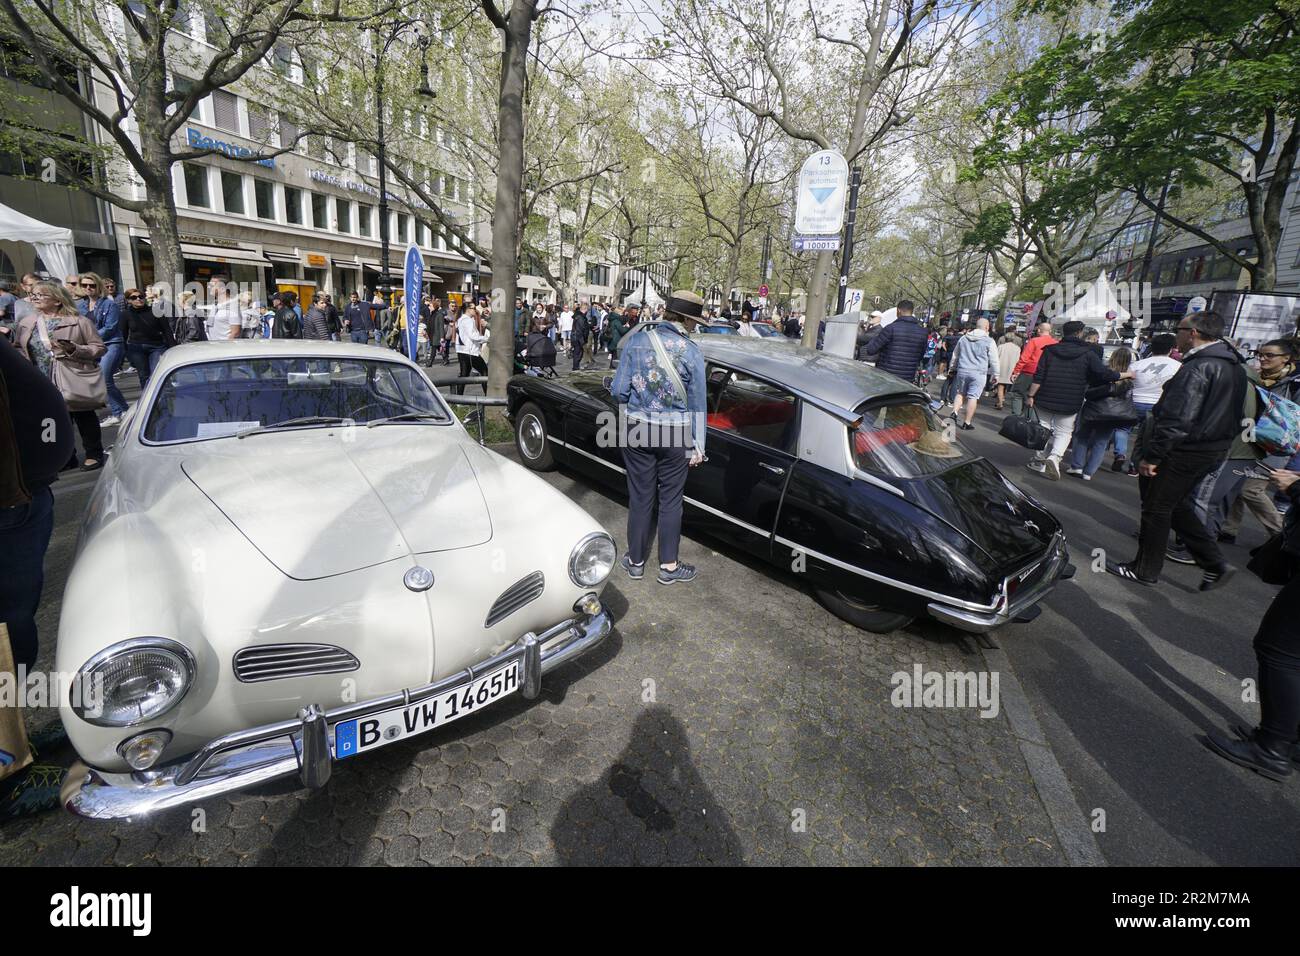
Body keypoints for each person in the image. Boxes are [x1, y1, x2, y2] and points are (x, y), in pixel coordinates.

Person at [1105, 311, 1247, 589]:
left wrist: (1153, 455)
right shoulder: (1232, 366)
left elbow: (1179, 418)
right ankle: (1214, 562)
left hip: (1184, 450)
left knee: (1157, 508)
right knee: (1174, 505)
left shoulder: (1200, 366)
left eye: (1180, 329)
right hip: (1209, 449)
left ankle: (1145, 569)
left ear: (1192, 332)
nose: (1176, 336)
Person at [0, 331, 75, 819]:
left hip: (18, 501)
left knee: (14, 629)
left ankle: (13, 735)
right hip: (8, 505)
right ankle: (6, 775)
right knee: (6, 631)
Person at [611, 290, 708, 586]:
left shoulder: (637, 341)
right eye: (694, 321)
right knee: (670, 502)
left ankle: (636, 562)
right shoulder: (690, 350)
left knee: (640, 497)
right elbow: (698, 403)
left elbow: (618, 391)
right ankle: (668, 566)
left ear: (667, 312)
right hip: (675, 434)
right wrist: (698, 445)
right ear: (688, 321)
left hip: (638, 429)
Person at [14, 281, 107, 471]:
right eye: (33, 295)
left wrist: (75, 349)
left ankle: (94, 453)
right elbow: (18, 348)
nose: (35, 298)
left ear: (57, 300)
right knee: (49, 421)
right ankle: (64, 457)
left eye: (41, 295)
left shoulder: (78, 321)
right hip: (40, 380)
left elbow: (99, 348)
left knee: (82, 415)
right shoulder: (26, 322)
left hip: (72, 375)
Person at [1026, 320, 1129, 480]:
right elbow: (1103, 374)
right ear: (1080, 333)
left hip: (1045, 395)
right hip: (1071, 399)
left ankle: (1040, 460)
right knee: (1064, 431)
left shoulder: (1049, 351)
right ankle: (1055, 457)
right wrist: (1126, 374)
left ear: (1063, 333)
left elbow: (1038, 376)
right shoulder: (1088, 354)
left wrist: (1031, 395)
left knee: (1043, 427)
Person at [1066, 347, 1138, 480]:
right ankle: (1089, 472)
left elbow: (1090, 387)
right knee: (1101, 441)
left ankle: (1077, 466)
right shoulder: (1130, 378)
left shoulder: (1104, 372)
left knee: (1082, 436)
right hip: (1115, 413)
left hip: (1094, 408)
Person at [1120, 333, 1181, 475]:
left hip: (1134, 401)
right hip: (1157, 405)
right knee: (1145, 438)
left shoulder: (1137, 364)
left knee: (1123, 429)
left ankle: (1120, 453)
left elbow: (1127, 382)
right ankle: (1135, 466)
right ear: (1171, 349)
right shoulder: (1179, 367)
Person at [77, 273, 126, 426]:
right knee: (101, 381)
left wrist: (90, 337)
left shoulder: (109, 304)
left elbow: (111, 327)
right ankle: (123, 410)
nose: (88, 288)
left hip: (111, 344)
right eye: (85, 285)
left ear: (98, 286)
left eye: (91, 285)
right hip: (92, 347)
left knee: (105, 378)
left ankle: (119, 412)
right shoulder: (81, 306)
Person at [948, 317, 999, 430]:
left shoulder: (963, 338)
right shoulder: (989, 341)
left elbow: (955, 355)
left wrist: (952, 368)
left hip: (963, 370)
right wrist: (996, 374)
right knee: (973, 397)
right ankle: (967, 422)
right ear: (987, 327)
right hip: (978, 373)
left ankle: (954, 413)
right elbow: (994, 359)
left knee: (960, 393)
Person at [863, 300, 928, 382]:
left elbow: (871, 349)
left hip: (886, 376)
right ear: (912, 311)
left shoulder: (890, 328)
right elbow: (920, 356)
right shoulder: (923, 332)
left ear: (898, 310)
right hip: (907, 378)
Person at [122, 287, 174, 389]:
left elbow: (166, 330)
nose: (138, 299)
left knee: (156, 374)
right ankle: (147, 399)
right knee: (143, 375)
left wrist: (172, 346)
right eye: (134, 298)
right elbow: (123, 334)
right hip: (136, 348)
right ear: (128, 300)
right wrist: (125, 352)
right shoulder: (126, 314)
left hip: (156, 346)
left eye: (141, 296)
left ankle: (160, 398)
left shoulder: (155, 310)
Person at [1008, 321, 1057, 416]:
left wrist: (1016, 371)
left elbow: (1024, 358)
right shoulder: (1056, 343)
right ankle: (1030, 420)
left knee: (1018, 394)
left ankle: (1016, 417)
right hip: (1046, 374)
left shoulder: (1034, 341)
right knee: (1035, 397)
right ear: (1050, 331)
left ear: (1039, 330)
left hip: (1029, 371)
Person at [454, 304, 488, 394]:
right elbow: (473, 336)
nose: (475, 310)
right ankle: (487, 396)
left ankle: (458, 400)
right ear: (468, 309)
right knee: (484, 371)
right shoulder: (468, 321)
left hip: (461, 350)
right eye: (473, 308)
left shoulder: (460, 320)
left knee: (464, 375)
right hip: (470, 352)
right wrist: (486, 339)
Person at [205, 274, 242, 342]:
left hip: (224, 348)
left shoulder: (233, 305)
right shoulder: (215, 305)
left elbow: (235, 333)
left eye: (212, 285)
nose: (208, 287)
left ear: (222, 289)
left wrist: (225, 349)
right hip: (212, 347)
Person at [995, 333, 1022, 410]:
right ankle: (1005, 400)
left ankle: (1000, 402)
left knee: (1000, 385)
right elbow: (1018, 359)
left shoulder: (1001, 347)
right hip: (1012, 369)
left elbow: (996, 357)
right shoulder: (1017, 348)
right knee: (1010, 386)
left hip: (1002, 367)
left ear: (1005, 338)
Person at [571, 300, 591, 370]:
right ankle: (575, 368)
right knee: (578, 354)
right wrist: (582, 342)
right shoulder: (580, 317)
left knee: (578, 353)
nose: (587, 311)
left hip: (577, 338)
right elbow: (579, 330)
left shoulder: (580, 316)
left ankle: (576, 367)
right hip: (578, 338)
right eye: (587, 310)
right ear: (584, 309)